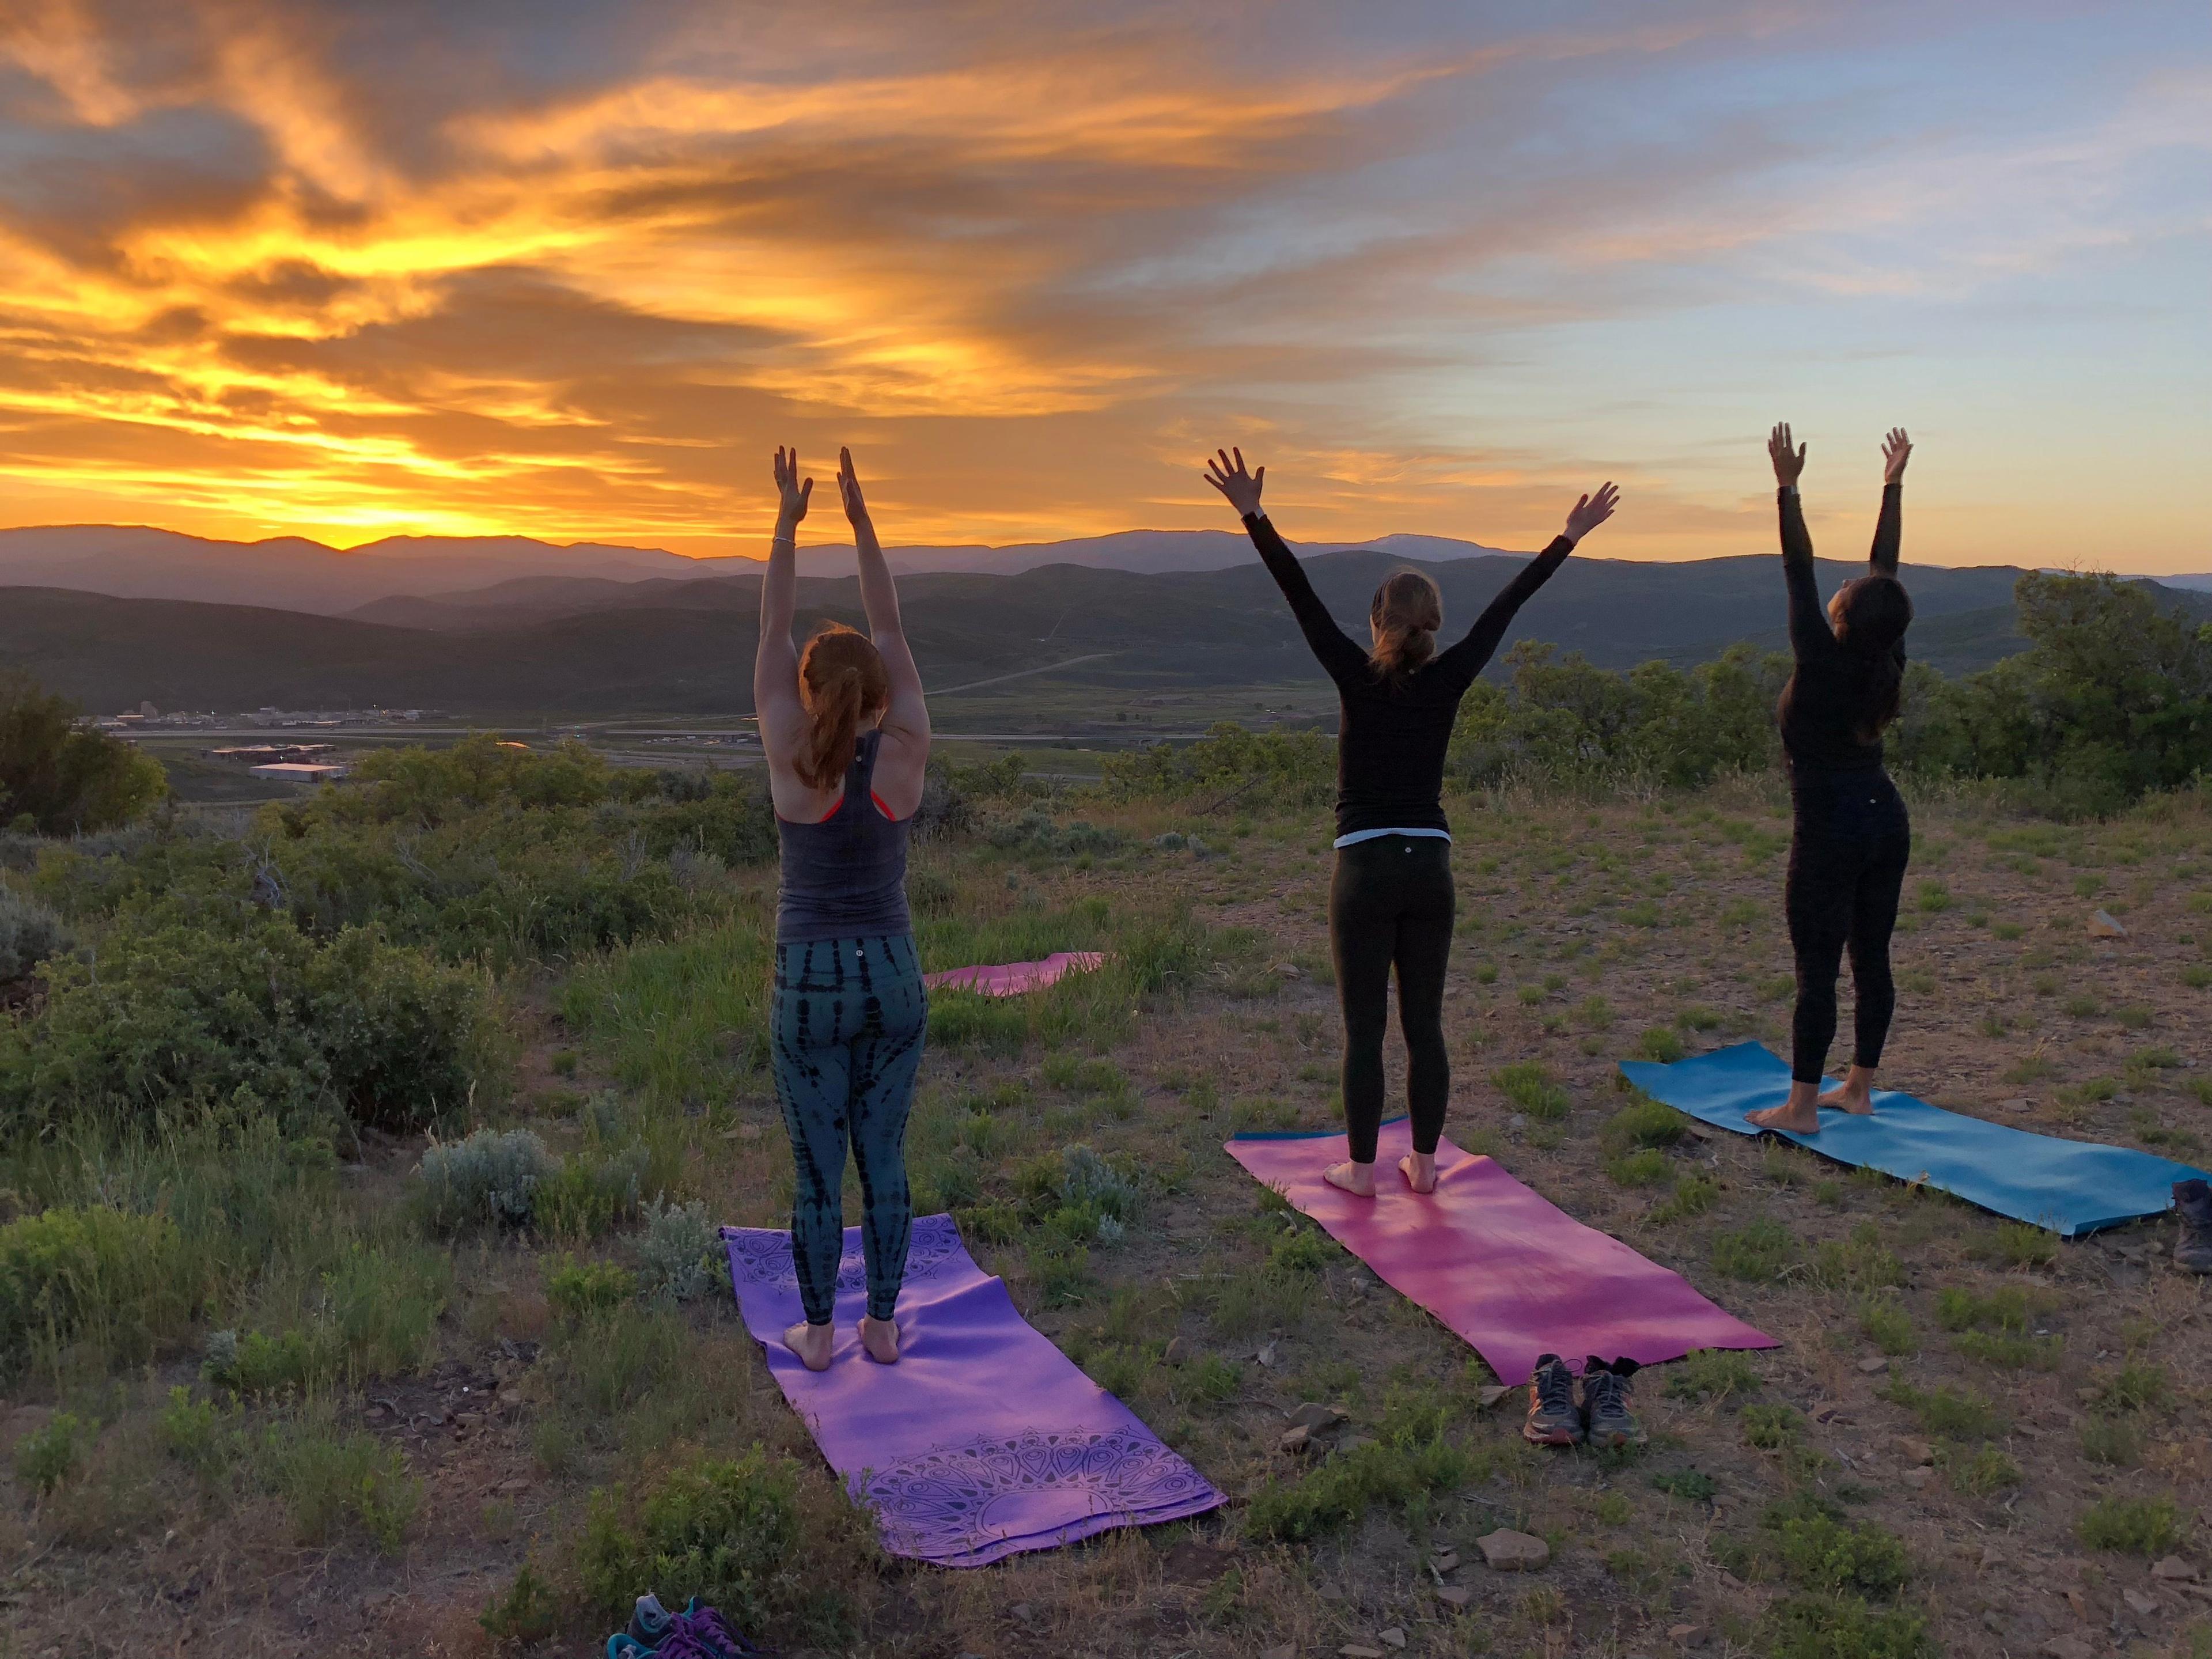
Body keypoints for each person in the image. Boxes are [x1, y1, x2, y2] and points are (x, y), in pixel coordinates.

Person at [1203, 448, 1619, 1195]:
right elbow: (1508, 606)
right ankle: (1425, 1168)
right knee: (1424, 1025)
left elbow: (1298, 594)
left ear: (1375, 624)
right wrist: (1569, 534)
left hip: (1362, 869)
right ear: (1433, 626)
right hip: (1430, 866)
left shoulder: (1353, 673)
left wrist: (1253, 514)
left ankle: (1362, 1172)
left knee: (1366, 1030)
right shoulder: (1452, 676)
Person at [755, 445, 931, 1370]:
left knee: (816, 1168)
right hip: (895, 975)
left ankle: (819, 1335)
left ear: (807, 694)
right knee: (886, 1159)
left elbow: (775, 626)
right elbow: (890, 625)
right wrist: (863, 520)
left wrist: (790, 522)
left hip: (809, 980)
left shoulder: (789, 752)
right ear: (878, 695)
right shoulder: (905, 745)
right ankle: (885, 1328)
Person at [1746, 425, 1914, 1134]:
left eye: (1848, 590)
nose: (1844, 583)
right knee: (1870, 956)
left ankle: (1803, 1108)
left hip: (1831, 829)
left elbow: (1798, 566)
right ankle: (1860, 1089)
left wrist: (1787, 488)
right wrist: (1892, 486)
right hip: (1885, 818)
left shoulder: (1820, 656)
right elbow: (1885, 572)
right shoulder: (1887, 654)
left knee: (1818, 970)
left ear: (1842, 616)